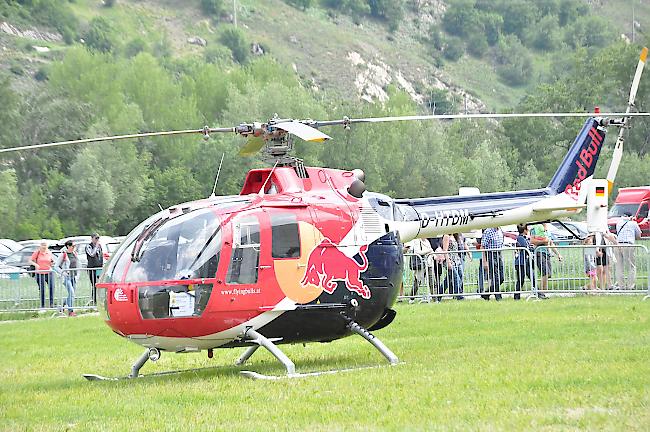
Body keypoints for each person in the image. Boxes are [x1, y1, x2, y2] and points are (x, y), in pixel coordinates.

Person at [530, 223, 562, 298]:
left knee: (549, 274)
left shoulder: (548, 231)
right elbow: (532, 241)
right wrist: (543, 241)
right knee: (545, 273)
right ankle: (541, 293)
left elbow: (551, 243)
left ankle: (542, 291)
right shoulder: (534, 229)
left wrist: (558, 254)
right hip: (539, 252)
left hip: (547, 253)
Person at [615, 213, 642, 289]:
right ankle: (630, 286)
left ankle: (621, 286)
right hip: (628, 245)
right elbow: (639, 235)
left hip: (618, 245)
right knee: (631, 266)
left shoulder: (619, 223)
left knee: (619, 266)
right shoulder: (633, 223)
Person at [54, 240, 79, 316]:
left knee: (71, 294)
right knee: (71, 293)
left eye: (74, 246)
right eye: (72, 246)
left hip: (73, 276)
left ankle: (63, 306)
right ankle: (70, 311)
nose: (74, 248)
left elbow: (77, 264)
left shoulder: (74, 254)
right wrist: (63, 273)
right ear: (68, 246)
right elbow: (56, 266)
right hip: (67, 277)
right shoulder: (63, 255)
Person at [28, 242, 55, 308]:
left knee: (52, 287)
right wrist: (36, 265)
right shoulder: (37, 253)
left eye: (45, 246)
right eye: (43, 246)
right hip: (40, 273)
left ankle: (51, 304)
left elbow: (51, 261)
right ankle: (42, 305)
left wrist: (52, 263)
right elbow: (30, 261)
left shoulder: (49, 253)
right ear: (40, 246)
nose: (44, 247)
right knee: (42, 289)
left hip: (49, 272)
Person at [481, 226, 504, 301]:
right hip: (491, 254)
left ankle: (486, 293)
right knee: (495, 277)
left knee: (501, 277)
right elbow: (483, 246)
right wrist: (484, 261)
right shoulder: (488, 231)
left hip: (499, 254)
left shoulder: (500, 230)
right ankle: (498, 297)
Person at [514, 224, 535, 300]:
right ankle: (516, 296)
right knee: (521, 280)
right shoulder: (520, 238)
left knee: (531, 277)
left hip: (524, 262)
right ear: (525, 230)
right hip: (521, 262)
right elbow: (525, 247)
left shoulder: (523, 238)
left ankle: (538, 293)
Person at [441, 233, 464, 300]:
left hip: (457, 260)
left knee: (449, 279)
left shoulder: (455, 236)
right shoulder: (446, 236)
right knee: (456, 278)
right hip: (450, 260)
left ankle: (439, 294)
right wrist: (448, 262)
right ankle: (459, 295)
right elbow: (445, 250)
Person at [86, 233, 104, 304]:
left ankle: (99, 299)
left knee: (100, 283)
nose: (97, 240)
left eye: (98, 238)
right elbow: (92, 254)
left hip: (99, 267)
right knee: (94, 284)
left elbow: (100, 255)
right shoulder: (88, 246)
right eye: (96, 238)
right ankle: (94, 300)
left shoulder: (99, 246)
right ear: (92, 238)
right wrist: (96, 247)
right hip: (92, 268)